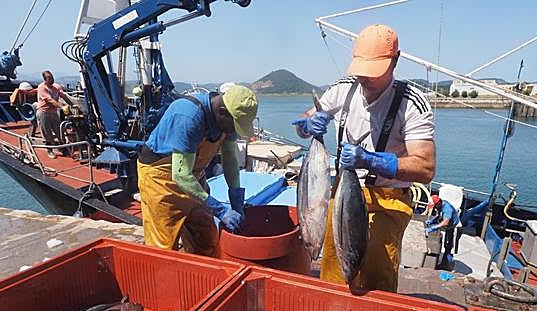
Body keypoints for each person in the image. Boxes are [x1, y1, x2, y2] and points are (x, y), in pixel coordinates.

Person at [292, 24, 436, 292]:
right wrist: (307, 125)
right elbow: (305, 120)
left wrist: (371, 160)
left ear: (395, 61)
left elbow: (426, 168)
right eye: (360, 69)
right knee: (335, 266)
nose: (364, 78)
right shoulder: (342, 90)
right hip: (343, 193)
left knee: (378, 273)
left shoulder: (411, 103)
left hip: (388, 199)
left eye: (373, 72)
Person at [137, 85, 258, 256]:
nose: (233, 131)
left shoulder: (227, 121)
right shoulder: (188, 116)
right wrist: (220, 210)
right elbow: (180, 175)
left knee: (207, 240)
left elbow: (230, 158)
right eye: (234, 126)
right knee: (163, 247)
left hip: (193, 178)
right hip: (161, 180)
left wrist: (236, 197)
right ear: (222, 112)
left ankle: (203, 279)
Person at [36, 70, 74, 158]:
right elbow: (50, 100)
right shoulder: (42, 87)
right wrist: (61, 107)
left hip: (53, 113)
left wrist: (72, 105)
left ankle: (63, 149)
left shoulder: (56, 87)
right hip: (43, 112)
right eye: (49, 78)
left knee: (59, 130)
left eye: (52, 77)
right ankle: (50, 150)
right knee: (46, 132)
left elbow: (64, 96)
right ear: (45, 79)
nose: (52, 80)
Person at [425, 195, 460, 271]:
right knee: (446, 245)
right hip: (448, 227)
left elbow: (445, 222)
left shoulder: (447, 208)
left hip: (454, 227)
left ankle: (447, 266)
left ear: (438, 203)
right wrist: (432, 221)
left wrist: (433, 227)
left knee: (449, 247)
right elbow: (440, 215)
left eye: (435, 206)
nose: (434, 208)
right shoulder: (440, 206)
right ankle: (444, 263)